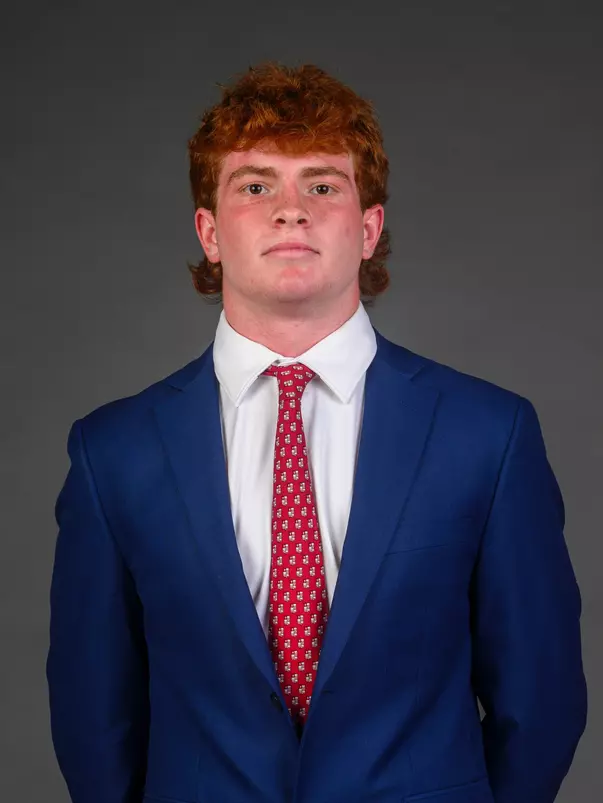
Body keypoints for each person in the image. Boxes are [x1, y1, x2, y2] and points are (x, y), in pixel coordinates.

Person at [47, 62, 587, 803]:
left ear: (369, 229)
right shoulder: (114, 452)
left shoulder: (487, 435)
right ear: (209, 231)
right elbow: (92, 713)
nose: (290, 210)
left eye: (323, 185)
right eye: (256, 184)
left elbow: (541, 697)